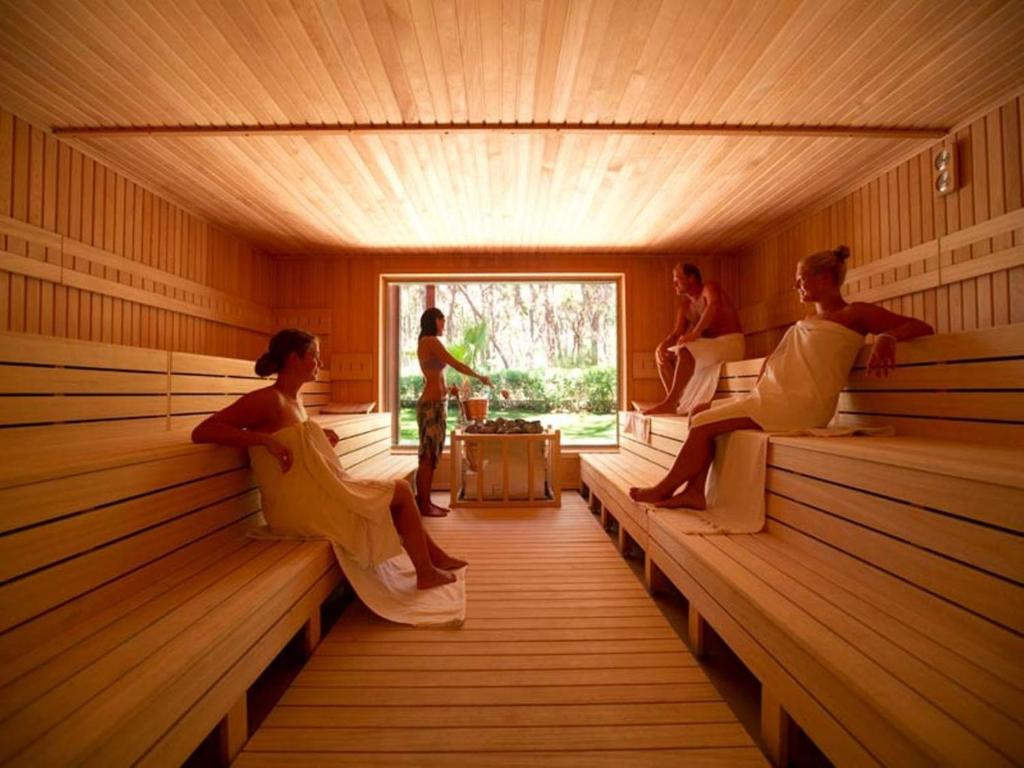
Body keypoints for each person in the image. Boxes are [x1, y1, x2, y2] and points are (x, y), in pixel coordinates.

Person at [630, 246, 934, 509]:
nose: (795, 285)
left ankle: (665, 488)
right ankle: (695, 491)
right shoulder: (808, 320)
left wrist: (887, 337)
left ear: (824, 278)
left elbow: (920, 326)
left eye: (801, 279)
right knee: (699, 411)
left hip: (800, 404)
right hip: (774, 396)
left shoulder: (855, 313)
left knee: (702, 423)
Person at [191, 328, 466, 593]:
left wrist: (317, 435)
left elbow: (293, 437)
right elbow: (204, 430)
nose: (320, 363)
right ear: (293, 359)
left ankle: (433, 560)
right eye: (314, 355)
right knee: (401, 491)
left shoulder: (294, 400)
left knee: (394, 494)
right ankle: (427, 570)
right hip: (296, 508)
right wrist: (262, 440)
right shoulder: (268, 400)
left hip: (310, 496)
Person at [416, 308, 493, 517]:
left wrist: (447, 390)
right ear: (434, 320)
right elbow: (455, 364)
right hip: (431, 406)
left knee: (432, 455)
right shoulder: (430, 341)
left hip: (436, 404)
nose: (444, 324)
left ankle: (425, 502)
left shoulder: (426, 342)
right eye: (442, 320)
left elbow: (433, 374)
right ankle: (424, 505)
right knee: (428, 455)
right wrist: (480, 377)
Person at [644, 263, 744, 415]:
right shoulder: (685, 307)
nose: (674, 284)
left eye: (677, 280)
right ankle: (676, 402)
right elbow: (677, 333)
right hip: (711, 348)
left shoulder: (709, 288)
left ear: (691, 278)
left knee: (685, 349)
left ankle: (670, 402)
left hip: (730, 343)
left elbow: (713, 306)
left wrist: (695, 334)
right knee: (663, 354)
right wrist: (663, 346)